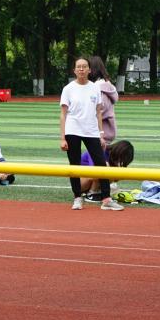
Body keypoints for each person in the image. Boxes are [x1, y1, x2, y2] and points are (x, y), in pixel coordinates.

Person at [60, 57, 122, 212]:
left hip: (92, 131)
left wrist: (101, 134)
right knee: (74, 165)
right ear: (74, 70)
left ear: (89, 70)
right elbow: (63, 114)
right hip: (72, 130)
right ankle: (77, 197)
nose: (81, 69)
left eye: (84, 66)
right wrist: (62, 137)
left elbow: (98, 112)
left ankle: (106, 199)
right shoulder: (68, 89)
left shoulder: (95, 88)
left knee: (101, 164)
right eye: (78, 67)